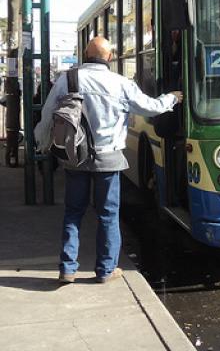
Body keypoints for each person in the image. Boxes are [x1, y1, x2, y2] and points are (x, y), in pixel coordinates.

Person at [34, 36, 183, 285]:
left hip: (75, 158)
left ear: (84, 53)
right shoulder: (120, 83)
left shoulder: (67, 79)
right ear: (110, 57)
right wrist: (172, 98)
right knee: (107, 215)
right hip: (108, 158)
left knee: (73, 212)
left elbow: (48, 115)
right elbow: (150, 107)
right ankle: (105, 270)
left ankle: (67, 268)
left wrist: (41, 146)